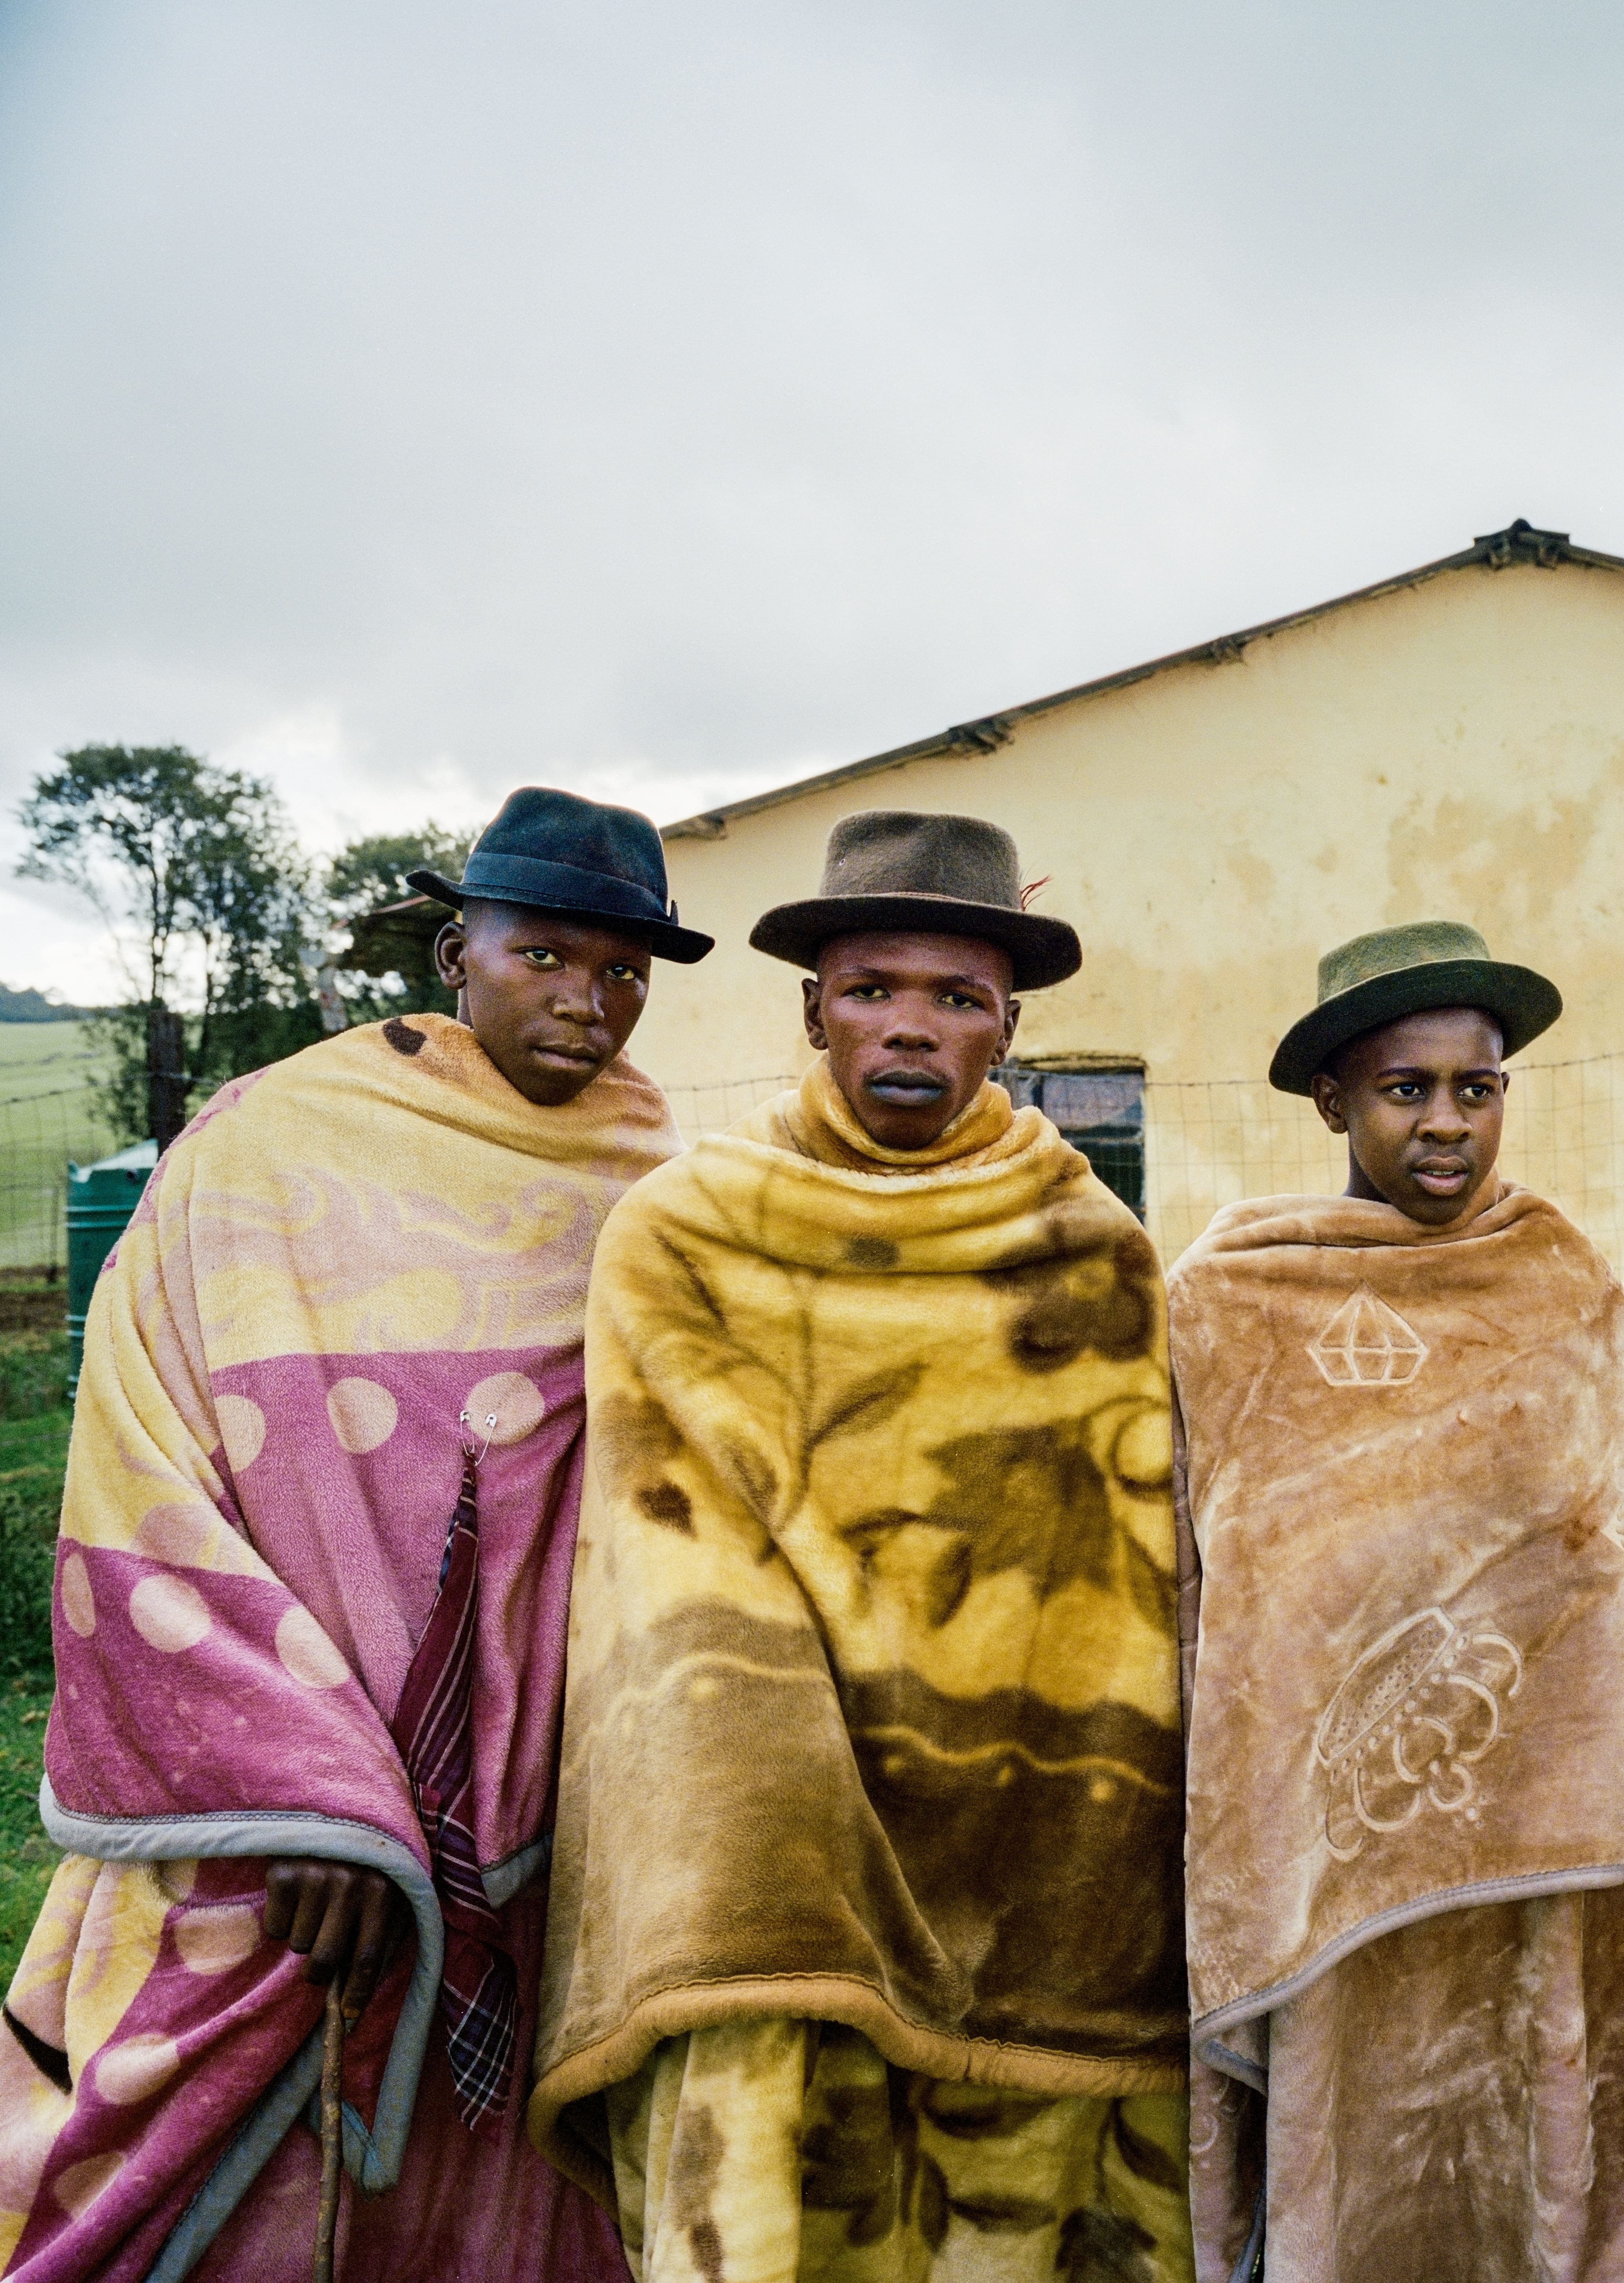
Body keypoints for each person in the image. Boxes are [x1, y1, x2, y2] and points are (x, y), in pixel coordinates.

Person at [0, 788, 705, 2280]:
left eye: (625, 972)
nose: (589, 1001)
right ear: (461, 949)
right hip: (275, 1833)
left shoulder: (656, 1190)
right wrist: (303, 1791)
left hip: (540, 1830)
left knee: (510, 2208)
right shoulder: (267, 1148)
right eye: (547, 956)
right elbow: (145, 1456)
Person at [529, 811, 1190, 2283]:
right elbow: (674, 1546)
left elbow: (1119, 1572)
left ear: (1009, 1026)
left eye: (957, 997)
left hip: (1035, 1810)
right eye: (874, 987)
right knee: (768, 2160)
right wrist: (776, 1797)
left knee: (1012, 2197)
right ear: (812, 1007)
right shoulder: (684, 1230)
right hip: (768, 1806)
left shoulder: (1088, 1249)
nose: (910, 1026)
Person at [1165, 922, 1624, 2283]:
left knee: (1529, 2117)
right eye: (1407, 1089)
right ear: (1333, 1101)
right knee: (1350, 2130)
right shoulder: (1232, 1298)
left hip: (1536, 1829)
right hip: (1325, 1836)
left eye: (1479, 1086)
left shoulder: (1563, 1283)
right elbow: (1209, 1570)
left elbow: (1598, 1545)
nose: (1449, 1122)